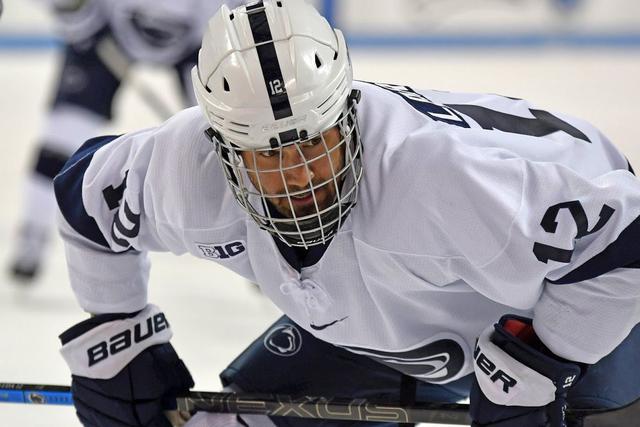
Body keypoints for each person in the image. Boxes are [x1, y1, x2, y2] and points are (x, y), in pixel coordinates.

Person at [54, 0, 640, 426]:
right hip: (390, 322)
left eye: (315, 142)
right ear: (222, 147)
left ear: (347, 112)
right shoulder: (185, 165)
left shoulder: (436, 181)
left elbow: (626, 237)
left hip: (583, 294)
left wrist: (541, 361)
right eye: (267, 154)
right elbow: (85, 197)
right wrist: (116, 332)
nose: (298, 175)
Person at [8, 0, 245, 280]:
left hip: (201, 41)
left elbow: (244, 20)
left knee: (237, 138)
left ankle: (258, 235)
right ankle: (33, 231)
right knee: (60, 142)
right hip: (109, 32)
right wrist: (81, 19)